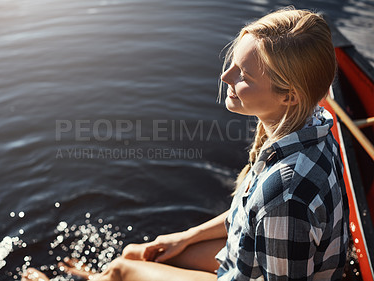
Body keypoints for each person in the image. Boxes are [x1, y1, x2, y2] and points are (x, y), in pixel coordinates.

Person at [22, 7, 349, 281]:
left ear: (289, 96)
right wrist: (185, 237)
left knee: (123, 269)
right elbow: (250, 214)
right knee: (135, 253)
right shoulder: (313, 124)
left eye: (244, 75)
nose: (226, 77)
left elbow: (274, 211)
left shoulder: (286, 196)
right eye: (233, 63)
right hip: (249, 261)